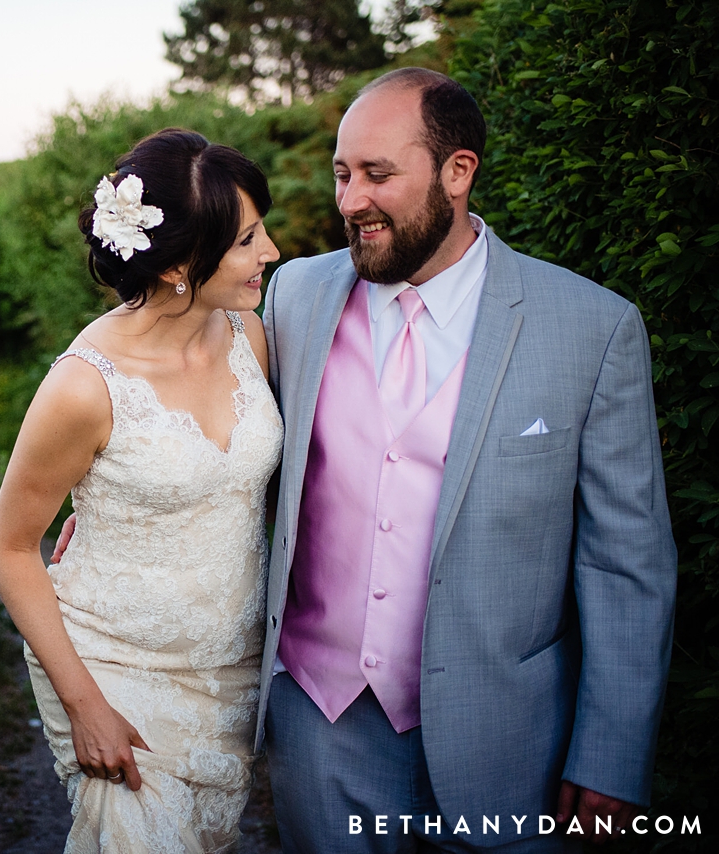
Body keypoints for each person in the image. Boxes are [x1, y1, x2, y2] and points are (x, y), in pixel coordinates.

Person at [257, 67, 677, 852]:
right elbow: (227, 443)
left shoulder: (593, 328)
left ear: (458, 172)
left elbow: (628, 563)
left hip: (513, 744)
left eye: (379, 175)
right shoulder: (294, 298)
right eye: (343, 174)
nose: (350, 201)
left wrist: (613, 754)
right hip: (321, 729)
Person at [0, 129, 283, 852]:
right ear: (182, 263)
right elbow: (11, 546)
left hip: (230, 676)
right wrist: (84, 704)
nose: (271, 251)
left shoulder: (250, 334)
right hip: (114, 668)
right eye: (247, 240)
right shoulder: (83, 386)